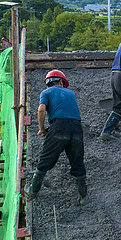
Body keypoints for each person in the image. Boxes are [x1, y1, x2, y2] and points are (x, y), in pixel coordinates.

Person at [28, 70, 86, 201]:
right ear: (61, 81)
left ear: (48, 83)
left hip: (59, 127)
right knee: (77, 163)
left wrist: (41, 129)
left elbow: (41, 109)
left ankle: (33, 191)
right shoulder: (71, 93)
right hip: (77, 128)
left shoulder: (46, 92)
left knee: (45, 160)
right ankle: (84, 197)